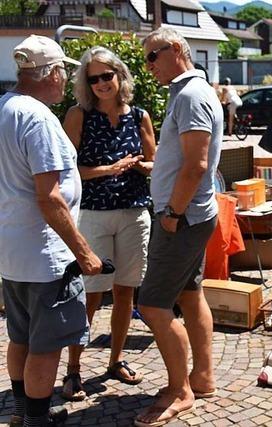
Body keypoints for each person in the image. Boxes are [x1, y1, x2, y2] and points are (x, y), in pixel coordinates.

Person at [0, 35, 103, 426]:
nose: (66, 80)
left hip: (13, 251)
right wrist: (84, 252)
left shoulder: (4, 107)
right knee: (45, 346)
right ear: (53, 73)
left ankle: (24, 412)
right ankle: (36, 421)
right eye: (64, 72)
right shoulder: (39, 117)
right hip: (46, 257)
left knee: (21, 337)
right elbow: (50, 197)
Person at [135, 28, 222, 427]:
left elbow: (197, 164)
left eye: (152, 57)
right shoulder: (188, 91)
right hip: (190, 214)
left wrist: (170, 212)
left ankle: (180, 389)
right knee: (190, 294)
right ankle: (201, 377)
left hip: (182, 217)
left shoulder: (189, 94)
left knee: (152, 305)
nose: (148, 66)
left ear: (175, 50)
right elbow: (186, 160)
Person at [60, 46, 156, 400]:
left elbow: (153, 161)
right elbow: (67, 171)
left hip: (133, 211)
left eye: (107, 75)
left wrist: (144, 167)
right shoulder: (78, 115)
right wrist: (108, 170)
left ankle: (115, 361)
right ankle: (73, 370)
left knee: (125, 293)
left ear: (120, 75)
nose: (101, 83)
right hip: (94, 214)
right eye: (93, 78)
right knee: (89, 293)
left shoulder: (140, 116)